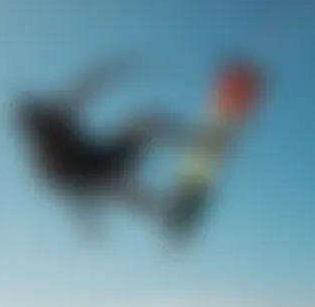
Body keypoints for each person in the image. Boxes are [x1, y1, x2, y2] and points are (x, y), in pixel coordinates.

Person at [14, 58, 191, 233]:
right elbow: (65, 189)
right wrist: (87, 217)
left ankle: (189, 143)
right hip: (92, 178)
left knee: (146, 122)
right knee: (119, 190)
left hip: (106, 156)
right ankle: (167, 214)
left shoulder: (55, 116)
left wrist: (112, 70)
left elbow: (83, 88)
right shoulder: (43, 159)